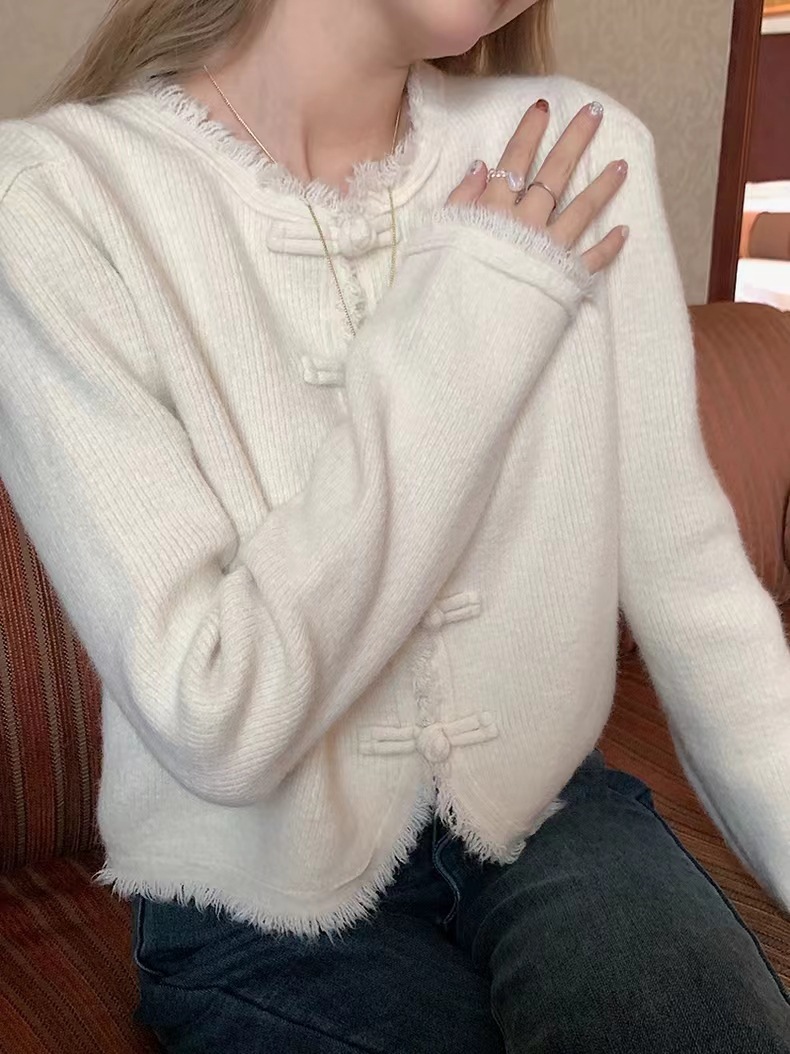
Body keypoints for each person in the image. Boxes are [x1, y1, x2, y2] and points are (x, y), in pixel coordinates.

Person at [0, 0, 789, 1050]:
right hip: (251, 892)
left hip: (551, 816)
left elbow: (696, 593)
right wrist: (474, 319)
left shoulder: (580, 150)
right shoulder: (52, 197)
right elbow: (212, 709)